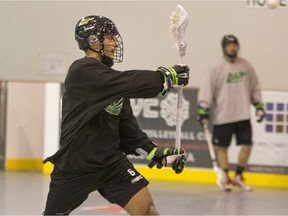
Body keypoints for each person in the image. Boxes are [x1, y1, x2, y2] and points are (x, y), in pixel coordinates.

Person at [42, 15, 189, 215]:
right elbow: (129, 82)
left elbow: (128, 131)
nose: (114, 42)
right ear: (93, 41)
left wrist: (156, 154)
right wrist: (164, 77)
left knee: (147, 210)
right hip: (76, 165)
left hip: (111, 164)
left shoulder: (112, 83)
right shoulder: (81, 71)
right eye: (109, 37)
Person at [197, 34, 265, 192]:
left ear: (238, 47)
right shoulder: (215, 67)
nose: (232, 48)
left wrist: (259, 105)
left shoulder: (246, 66)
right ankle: (226, 177)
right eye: (228, 45)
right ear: (223, 48)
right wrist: (203, 107)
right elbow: (207, 88)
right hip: (223, 116)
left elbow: (255, 86)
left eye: (234, 45)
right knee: (222, 148)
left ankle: (238, 176)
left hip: (243, 114)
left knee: (247, 145)